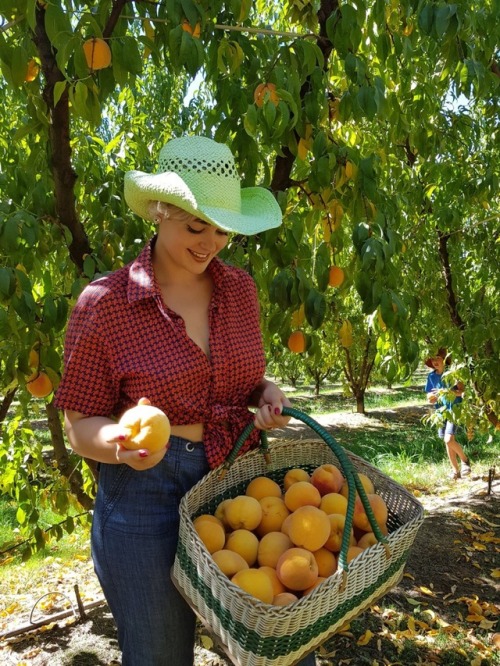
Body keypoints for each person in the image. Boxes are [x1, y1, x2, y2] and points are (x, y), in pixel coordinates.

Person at [54, 136, 316, 666]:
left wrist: (266, 396)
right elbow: (79, 423)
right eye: (195, 227)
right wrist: (118, 443)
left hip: (234, 477)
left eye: (221, 229)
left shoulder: (240, 291)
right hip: (145, 489)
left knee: (280, 648)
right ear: (159, 211)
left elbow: (246, 382)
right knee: (158, 654)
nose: (210, 242)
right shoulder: (105, 305)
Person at [424, 348, 471, 481]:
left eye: (437, 358)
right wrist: (431, 397)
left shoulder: (453, 374)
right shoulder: (431, 376)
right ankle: (456, 471)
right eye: (432, 359)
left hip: (454, 409)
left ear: (445, 360)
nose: (435, 361)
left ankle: (465, 461)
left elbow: (462, 392)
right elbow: (428, 395)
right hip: (440, 412)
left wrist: (448, 392)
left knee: (448, 439)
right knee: (448, 442)